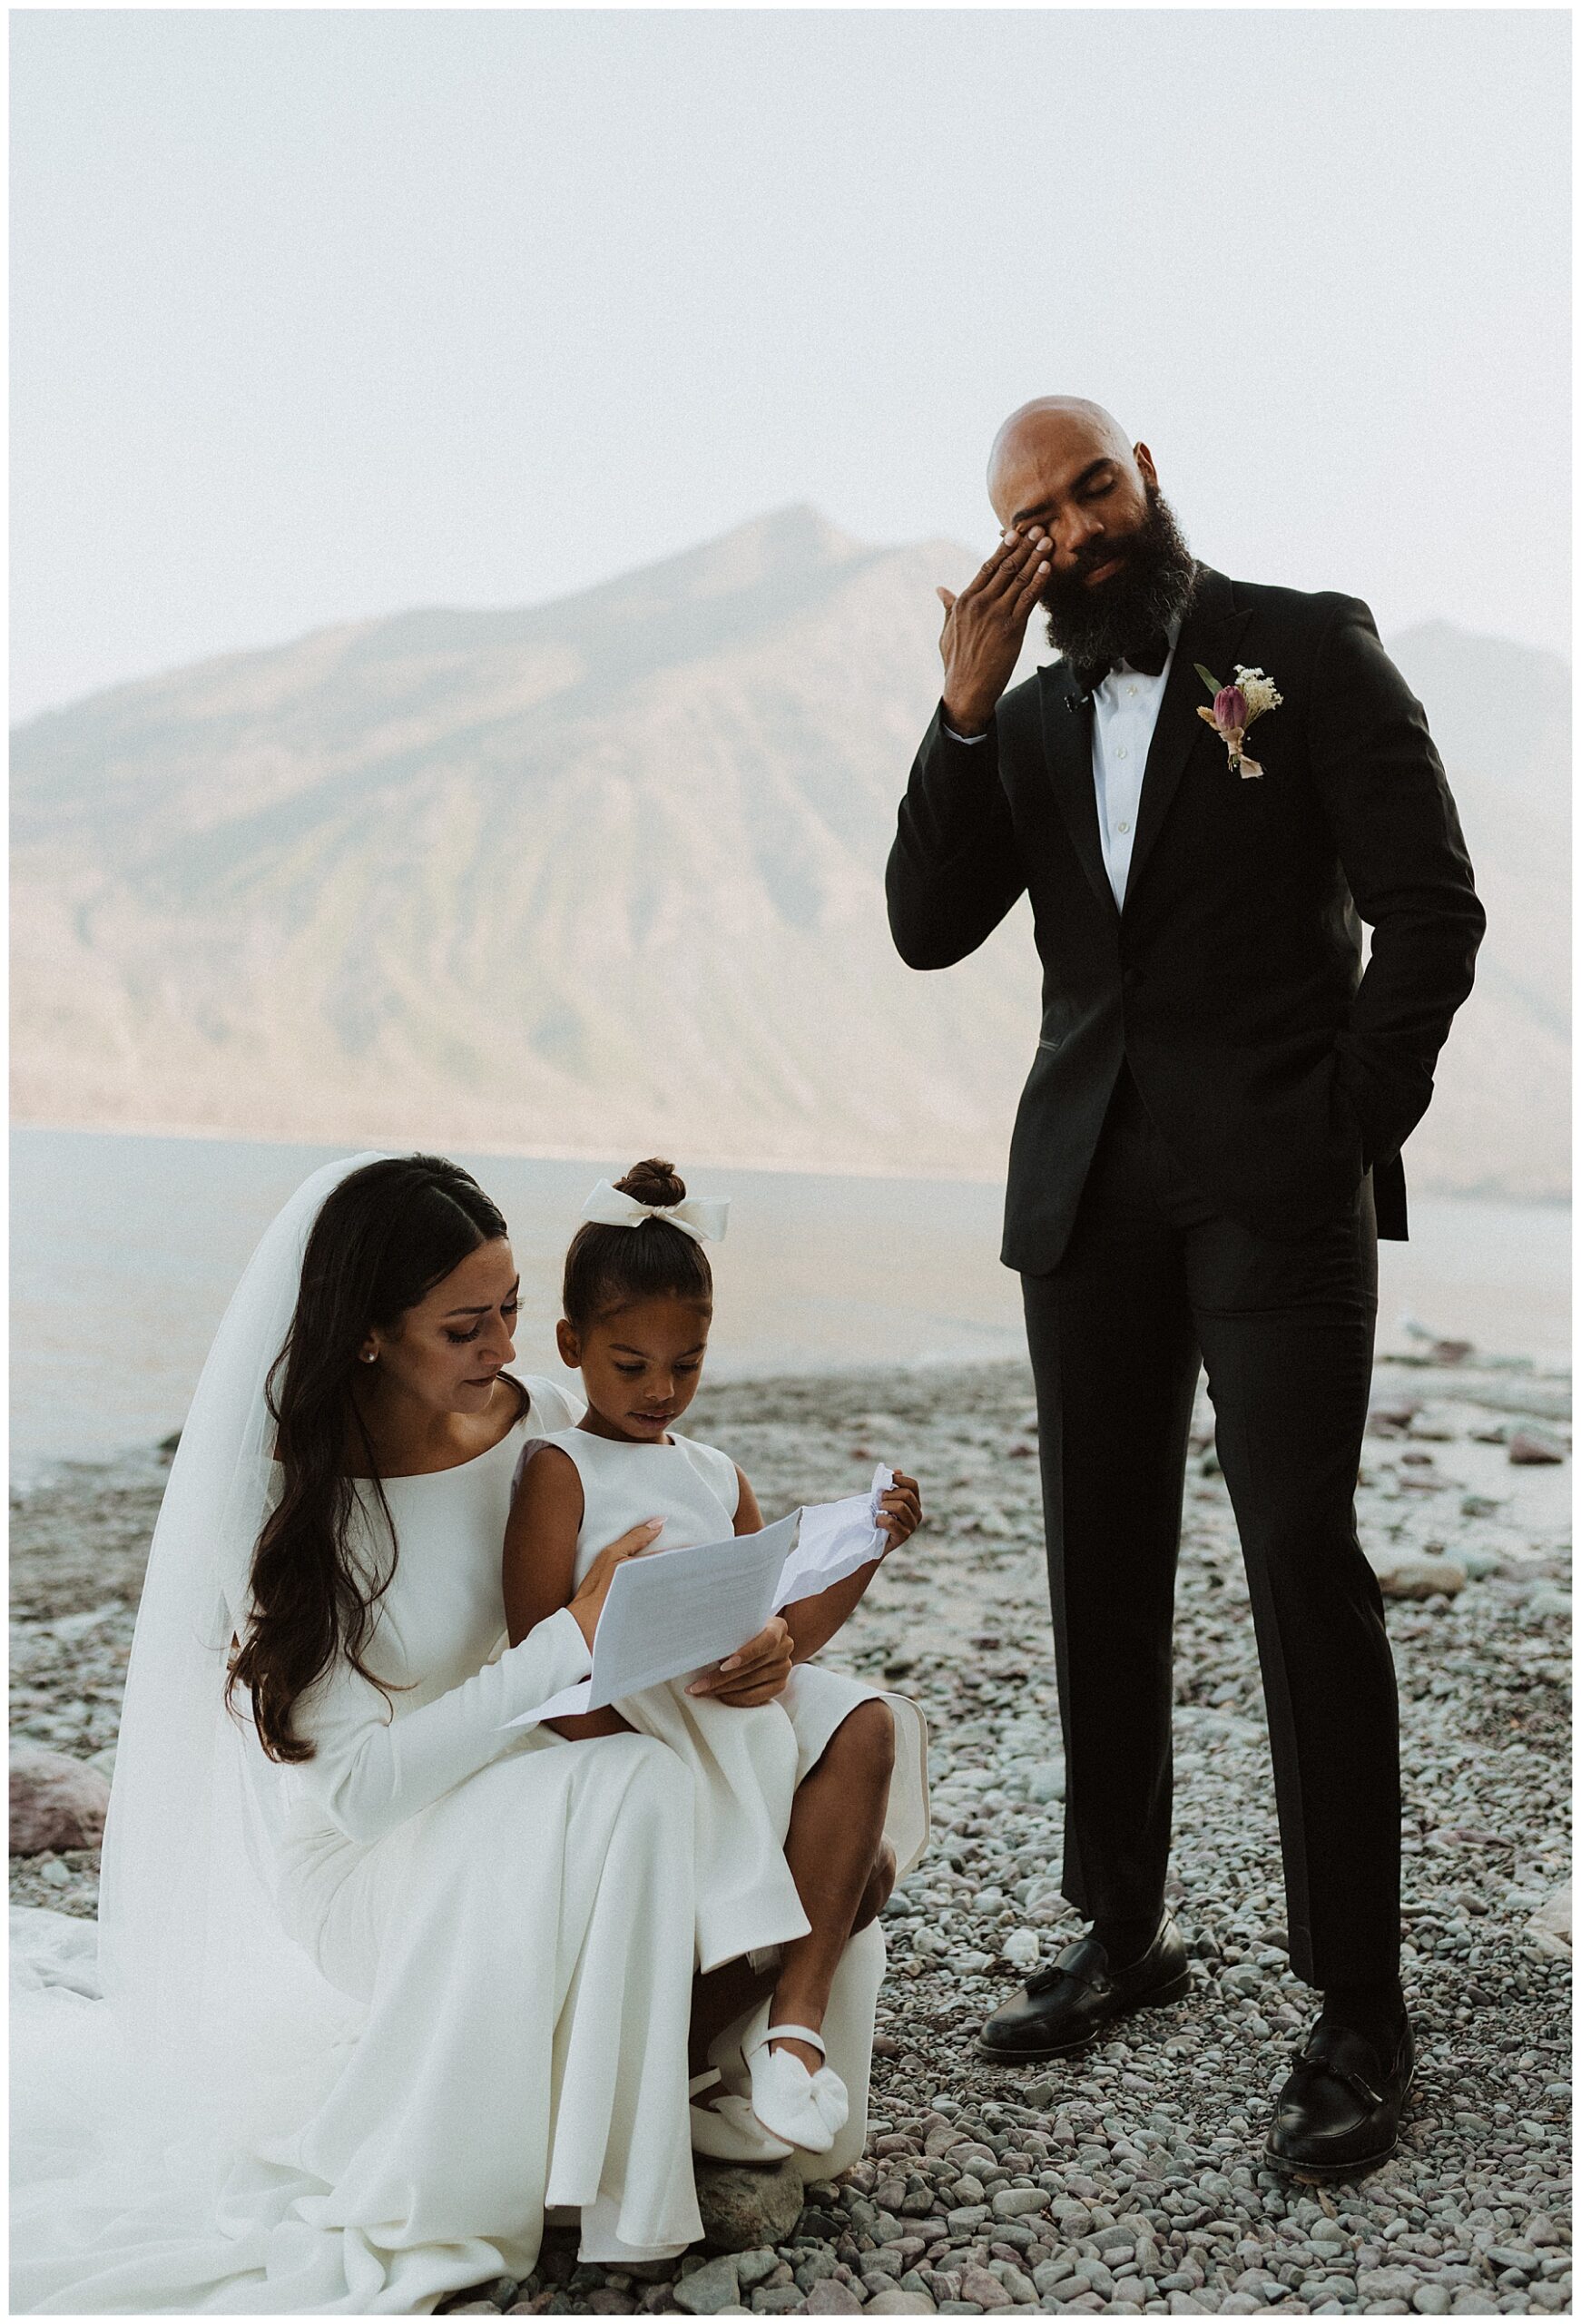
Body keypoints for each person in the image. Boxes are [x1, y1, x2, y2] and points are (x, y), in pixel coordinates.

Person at [886, 397, 1485, 2178]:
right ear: (1018, 550)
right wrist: (960, 709)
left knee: (1303, 1556)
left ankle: (1357, 1999)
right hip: (1087, 1187)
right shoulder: (1038, 711)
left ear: (1140, 476)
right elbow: (928, 921)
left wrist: (1340, 1126)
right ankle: (1122, 1920)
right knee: (1101, 1549)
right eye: (1039, 512)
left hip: (1276, 1190)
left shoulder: (1301, 648)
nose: (1078, 520)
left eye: (1095, 481)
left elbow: (1431, 908)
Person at [9, 1152, 907, 2311]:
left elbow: (662, 1544)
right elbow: (359, 1794)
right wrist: (564, 1647)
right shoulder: (299, 1505)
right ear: (372, 1333)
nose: (502, 1348)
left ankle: (688, 2061)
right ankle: (585, 2150)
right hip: (386, 1848)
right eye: (466, 1325)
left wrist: (764, 1638)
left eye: (514, 1311)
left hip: (556, 1748)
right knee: (639, 1784)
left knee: (843, 1752)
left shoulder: (533, 1425)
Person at [506, 1157, 929, 2161]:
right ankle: (676, 2070)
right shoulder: (561, 1469)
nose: (660, 1390)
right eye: (629, 1363)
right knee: (850, 1874)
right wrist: (609, 1740)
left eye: (684, 1364)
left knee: (866, 1722)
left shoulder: (714, 1473)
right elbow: (533, 1648)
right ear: (569, 1345)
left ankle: (792, 2033)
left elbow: (785, 1623)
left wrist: (862, 1551)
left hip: (731, 1716)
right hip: (626, 1725)